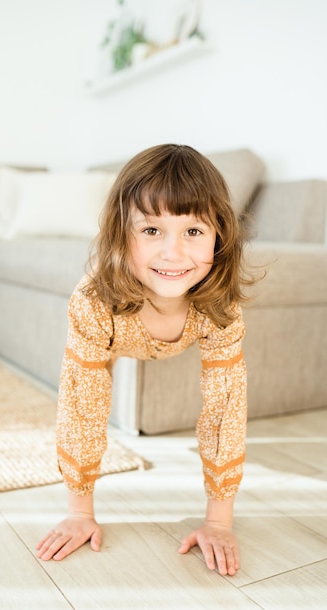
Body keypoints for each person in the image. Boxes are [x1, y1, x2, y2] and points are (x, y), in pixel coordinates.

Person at [37, 143, 255, 576]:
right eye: (151, 230)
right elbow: (83, 406)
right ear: (121, 233)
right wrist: (80, 511)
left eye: (194, 232)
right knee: (86, 390)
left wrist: (219, 521)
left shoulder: (221, 307)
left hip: (194, 323)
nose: (173, 253)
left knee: (226, 397)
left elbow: (225, 408)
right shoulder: (92, 303)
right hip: (116, 326)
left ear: (220, 237)